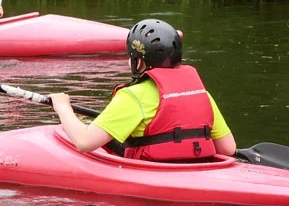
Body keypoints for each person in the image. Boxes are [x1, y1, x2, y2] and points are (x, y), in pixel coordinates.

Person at [49, 19, 237, 159]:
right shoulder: (200, 94)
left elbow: (84, 142)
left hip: (154, 176)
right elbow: (228, 149)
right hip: (200, 175)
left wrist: (62, 106)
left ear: (138, 61)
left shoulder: (132, 96)